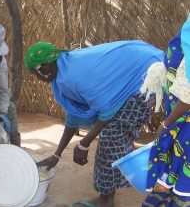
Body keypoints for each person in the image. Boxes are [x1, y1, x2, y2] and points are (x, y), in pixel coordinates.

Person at [24, 40, 165, 207]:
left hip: (143, 75)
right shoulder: (62, 71)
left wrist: (84, 144)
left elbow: (106, 112)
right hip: (138, 65)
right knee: (114, 138)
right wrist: (57, 154)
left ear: (45, 67)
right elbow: (73, 116)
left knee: (111, 138)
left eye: (35, 74)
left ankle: (105, 201)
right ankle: (108, 195)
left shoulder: (71, 76)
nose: (38, 79)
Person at [141, 20, 190, 206]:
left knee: (177, 183)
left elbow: (187, 94)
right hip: (181, 124)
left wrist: (165, 123)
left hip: (183, 126)